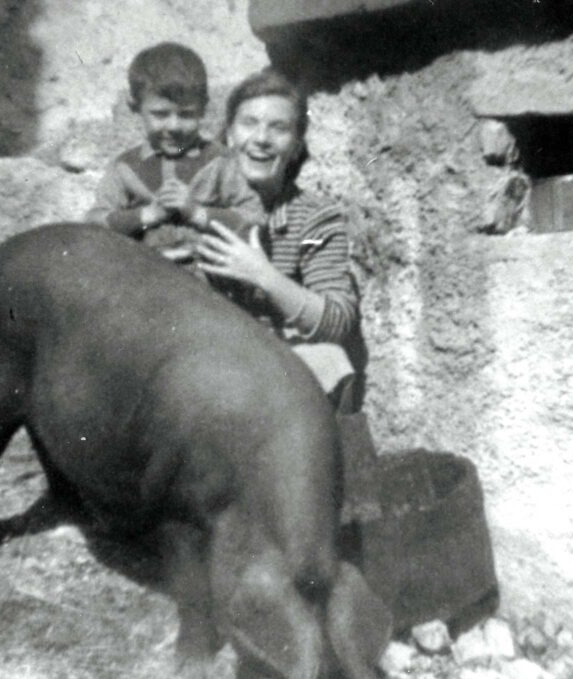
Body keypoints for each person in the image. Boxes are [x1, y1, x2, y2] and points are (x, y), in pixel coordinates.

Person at [185, 69, 367, 412]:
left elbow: (338, 320)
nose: (261, 139)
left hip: (278, 376)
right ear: (229, 136)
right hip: (198, 362)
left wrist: (263, 275)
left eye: (278, 128)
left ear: (296, 146)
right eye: (249, 123)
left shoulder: (314, 218)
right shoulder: (192, 205)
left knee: (332, 363)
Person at [84, 42, 223, 261]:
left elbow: (251, 218)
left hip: (210, 275)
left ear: (204, 108)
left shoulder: (220, 161)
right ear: (135, 106)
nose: (174, 126)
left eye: (186, 114)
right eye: (160, 114)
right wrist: (146, 215)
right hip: (145, 276)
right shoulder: (125, 167)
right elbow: (95, 221)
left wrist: (197, 213)